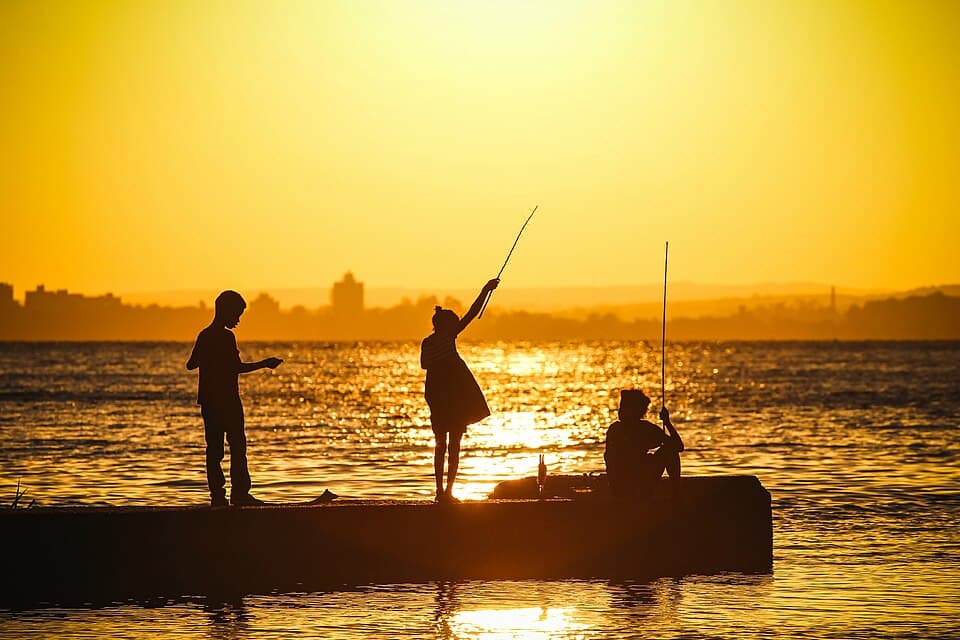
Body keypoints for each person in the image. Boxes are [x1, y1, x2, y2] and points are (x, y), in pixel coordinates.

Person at [187, 290, 283, 507]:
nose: (238, 320)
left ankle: (217, 497)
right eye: (236, 314)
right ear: (226, 311)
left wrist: (208, 358)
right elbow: (235, 368)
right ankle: (239, 494)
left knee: (214, 449)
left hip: (209, 401)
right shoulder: (226, 337)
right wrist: (264, 363)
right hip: (227, 401)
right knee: (237, 446)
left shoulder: (204, 335)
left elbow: (191, 364)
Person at [421, 278, 499, 503]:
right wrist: (485, 289)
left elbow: (424, 365)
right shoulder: (445, 338)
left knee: (442, 446)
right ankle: (446, 492)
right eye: (453, 324)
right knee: (452, 446)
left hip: (439, 399)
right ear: (445, 326)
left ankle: (442, 492)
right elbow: (473, 313)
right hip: (451, 400)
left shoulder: (428, 342)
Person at [604, 389, 684, 498]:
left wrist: (667, 423)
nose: (620, 411)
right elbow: (678, 446)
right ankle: (676, 493)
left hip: (621, 487)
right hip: (631, 485)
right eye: (621, 407)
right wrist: (667, 422)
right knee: (669, 451)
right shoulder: (643, 429)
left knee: (669, 451)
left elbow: (678, 446)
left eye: (624, 407)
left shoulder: (617, 428)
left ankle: (675, 493)